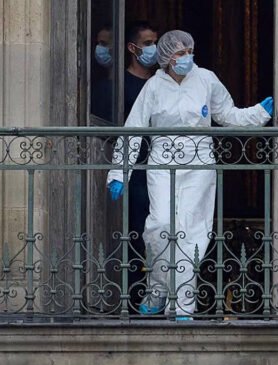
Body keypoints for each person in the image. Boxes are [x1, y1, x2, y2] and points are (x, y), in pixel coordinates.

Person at [106, 30, 274, 319]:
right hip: (162, 163)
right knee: (159, 225)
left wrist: (258, 113)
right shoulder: (154, 86)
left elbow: (228, 115)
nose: (186, 57)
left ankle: (182, 304)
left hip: (199, 164)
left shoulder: (206, 79)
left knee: (191, 232)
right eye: (179, 53)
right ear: (166, 56)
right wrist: (119, 172)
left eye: (189, 51)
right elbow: (134, 129)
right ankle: (157, 290)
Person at [120, 21, 158, 309]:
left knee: (163, 231)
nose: (152, 48)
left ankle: (161, 294)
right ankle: (133, 295)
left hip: (161, 167)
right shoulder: (120, 86)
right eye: (147, 43)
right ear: (132, 48)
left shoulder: (161, 83)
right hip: (135, 171)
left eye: (155, 42)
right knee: (136, 231)